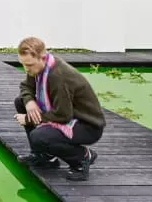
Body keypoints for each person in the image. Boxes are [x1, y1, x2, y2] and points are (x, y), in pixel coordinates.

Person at [14, 37, 106, 181]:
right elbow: (26, 86)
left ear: (42, 57)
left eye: (29, 65)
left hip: (87, 125)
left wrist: (27, 118)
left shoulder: (57, 76)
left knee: (39, 136)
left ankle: (82, 158)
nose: (26, 69)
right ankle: (44, 156)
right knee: (21, 102)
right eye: (23, 64)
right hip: (68, 115)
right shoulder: (40, 67)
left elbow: (63, 115)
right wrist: (29, 102)